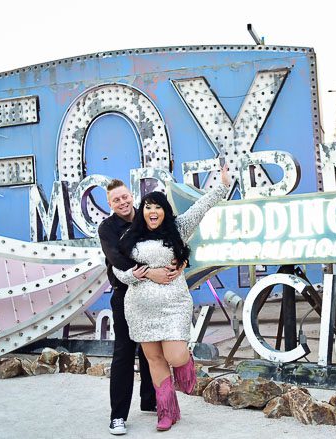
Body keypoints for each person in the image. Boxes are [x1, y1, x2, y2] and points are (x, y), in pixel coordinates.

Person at [112, 166, 231, 431]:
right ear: (142, 212)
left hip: (174, 304)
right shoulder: (130, 236)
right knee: (154, 360)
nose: (152, 212)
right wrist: (141, 274)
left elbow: (202, 206)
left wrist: (222, 186)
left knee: (174, 355)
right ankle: (167, 411)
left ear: (164, 210)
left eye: (157, 207)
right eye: (147, 207)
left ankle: (185, 362)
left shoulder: (179, 227)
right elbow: (119, 271)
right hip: (140, 308)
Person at [98, 179, 185, 436]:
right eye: (116, 200)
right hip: (127, 293)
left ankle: (151, 400)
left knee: (153, 351)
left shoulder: (148, 214)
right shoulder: (107, 228)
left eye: (125, 197)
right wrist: (151, 273)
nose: (123, 203)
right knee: (124, 353)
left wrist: (181, 260)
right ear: (109, 204)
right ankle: (118, 416)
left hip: (159, 294)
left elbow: (173, 241)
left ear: (131, 196)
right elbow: (118, 261)